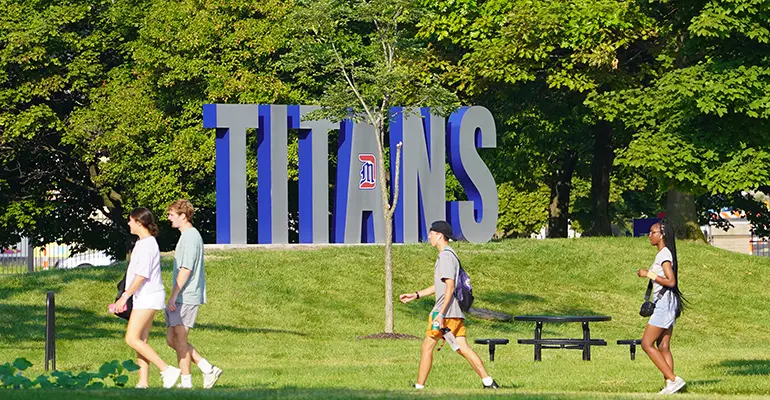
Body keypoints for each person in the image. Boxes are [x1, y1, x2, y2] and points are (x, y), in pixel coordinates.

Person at [399, 220, 499, 390]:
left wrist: (441, 314)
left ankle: (419, 387)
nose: (429, 236)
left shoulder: (445, 256)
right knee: (462, 348)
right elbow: (440, 285)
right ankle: (488, 382)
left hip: (445, 312)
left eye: (431, 233)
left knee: (427, 347)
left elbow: (450, 287)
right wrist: (416, 295)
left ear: (439, 235)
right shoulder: (451, 254)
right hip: (455, 311)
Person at [113, 208, 181, 389]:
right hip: (146, 297)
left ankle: (166, 369)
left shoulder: (147, 244)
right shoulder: (143, 243)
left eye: (130, 220)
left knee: (131, 338)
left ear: (139, 222)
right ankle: (143, 382)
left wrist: (124, 297)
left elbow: (141, 275)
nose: (128, 224)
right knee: (141, 341)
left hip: (147, 297)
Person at [165, 199, 222, 389]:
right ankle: (208, 368)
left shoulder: (190, 237)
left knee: (179, 340)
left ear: (183, 215)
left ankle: (187, 382)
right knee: (171, 339)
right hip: (183, 295)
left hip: (186, 296)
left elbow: (186, 269)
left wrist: (173, 295)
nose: (169, 218)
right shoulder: (187, 236)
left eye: (172, 214)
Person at [636, 221, 686, 394]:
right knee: (663, 345)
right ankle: (670, 385)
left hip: (664, 303)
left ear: (662, 235)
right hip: (668, 301)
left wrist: (647, 274)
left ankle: (673, 379)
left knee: (646, 343)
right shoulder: (665, 253)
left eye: (652, 232)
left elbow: (671, 281)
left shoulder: (664, 255)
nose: (650, 235)